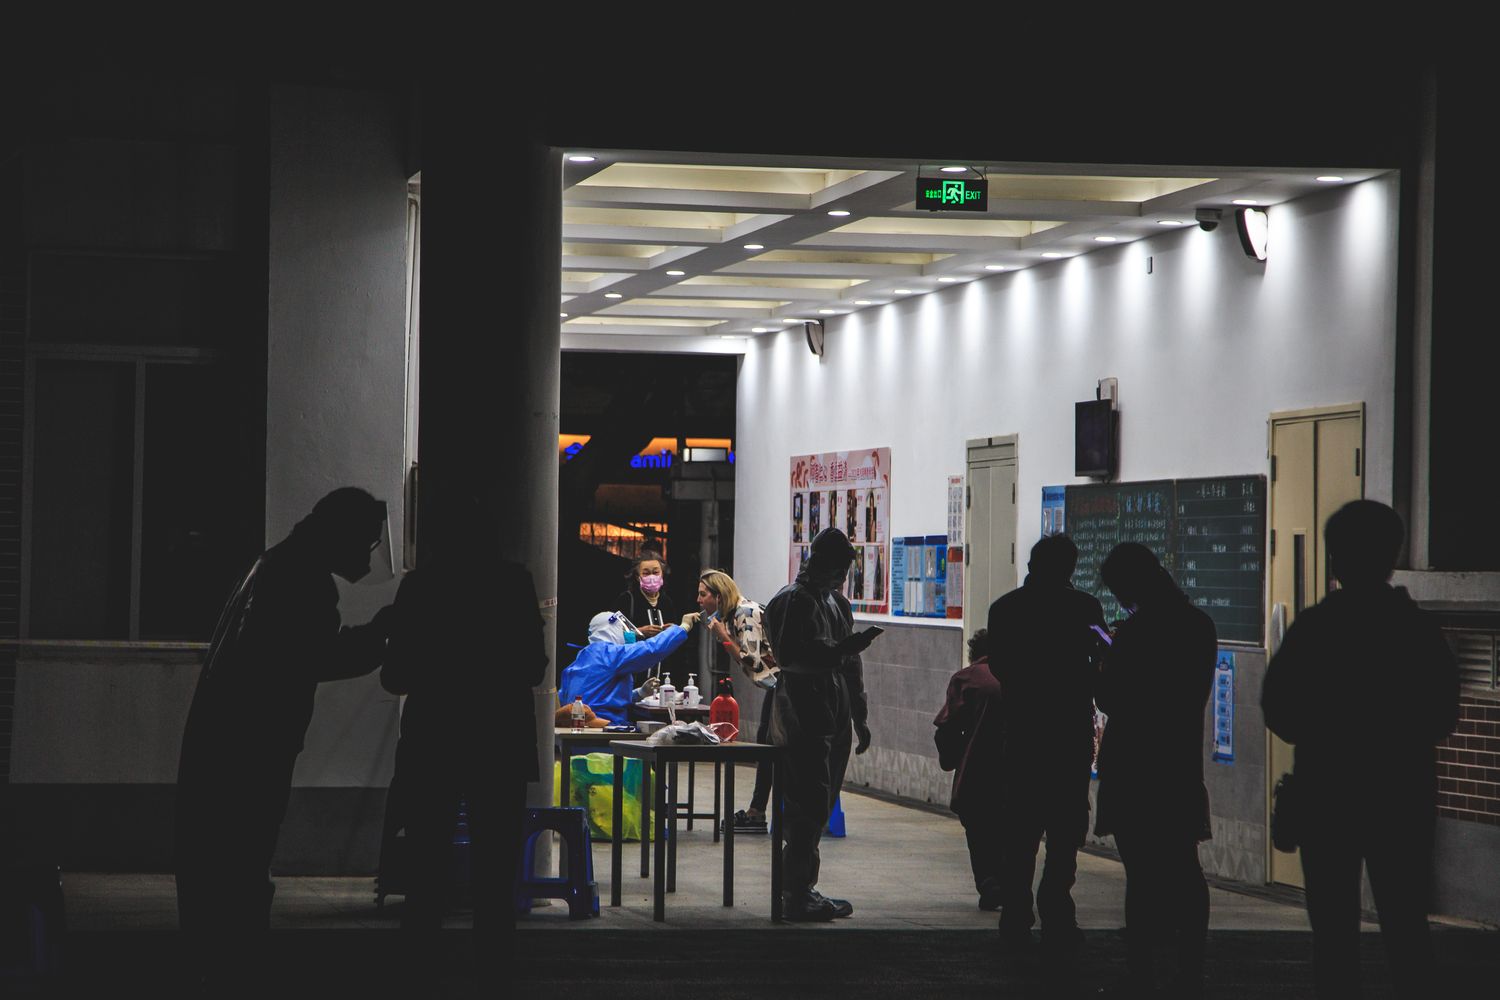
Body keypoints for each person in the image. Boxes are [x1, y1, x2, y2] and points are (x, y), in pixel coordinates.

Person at [174, 487, 395, 993]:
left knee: (225, 862)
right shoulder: (304, 579)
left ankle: (219, 962)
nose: (366, 555)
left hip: (228, 741)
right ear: (339, 535)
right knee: (243, 860)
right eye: (362, 543)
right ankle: (235, 966)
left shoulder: (276, 565)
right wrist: (380, 635)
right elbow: (317, 656)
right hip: (251, 749)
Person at [1261, 500, 1458, 999]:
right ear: (1392, 555)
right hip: (1403, 793)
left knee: (1332, 932)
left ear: (1335, 558)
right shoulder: (1418, 631)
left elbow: (1277, 708)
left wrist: (1325, 734)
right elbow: (1443, 716)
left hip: (1327, 794)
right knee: (1406, 925)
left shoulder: (1315, 629)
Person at [378, 507, 548, 985]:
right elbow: (534, 667)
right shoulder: (515, 584)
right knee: (496, 870)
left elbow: (396, 675)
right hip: (500, 743)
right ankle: (495, 969)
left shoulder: (420, 587)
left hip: (433, 741)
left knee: (426, 865)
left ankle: (420, 968)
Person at [1092, 542, 1218, 999]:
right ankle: (1191, 969)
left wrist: (1099, 663)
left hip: (1133, 764)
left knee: (1141, 873)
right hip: (1178, 762)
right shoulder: (1200, 625)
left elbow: (1112, 698)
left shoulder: (1137, 631)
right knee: (1186, 868)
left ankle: (1141, 969)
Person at [984, 534, 1107, 951]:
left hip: (1022, 732)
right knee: (1065, 827)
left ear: (1033, 564)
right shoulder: (1085, 608)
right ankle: (1056, 906)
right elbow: (1105, 651)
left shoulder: (1004, 609)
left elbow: (999, 664)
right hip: (1069, 733)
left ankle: (1016, 911)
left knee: (1019, 827)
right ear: (1069, 567)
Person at [764, 527, 876, 921]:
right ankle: (796, 892)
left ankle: (799, 885)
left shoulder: (837, 604)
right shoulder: (791, 602)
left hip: (833, 714)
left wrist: (858, 713)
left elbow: (852, 668)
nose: (841, 577)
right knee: (805, 806)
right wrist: (841, 650)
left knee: (819, 803)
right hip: (802, 711)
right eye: (838, 568)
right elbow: (791, 656)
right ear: (820, 562)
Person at [694, 569, 778, 834]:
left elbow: (751, 659)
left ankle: (758, 812)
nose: (698, 600)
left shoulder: (745, 612)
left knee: (768, 746)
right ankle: (758, 810)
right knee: (767, 744)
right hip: (776, 685)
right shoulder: (732, 615)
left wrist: (724, 637)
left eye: (703, 594)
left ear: (718, 597)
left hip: (783, 685)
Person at [932, 628, 1004, 910]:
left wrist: (950, 759)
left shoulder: (966, 679)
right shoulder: (1026, 677)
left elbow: (946, 730)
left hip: (977, 771)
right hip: (1018, 771)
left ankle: (988, 882)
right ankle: (1006, 882)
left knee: (978, 830)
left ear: (974, 653)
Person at [558, 609, 695, 724]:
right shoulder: (609, 654)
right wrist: (682, 628)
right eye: (623, 630)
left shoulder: (582, 658)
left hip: (579, 732)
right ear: (613, 629)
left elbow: (600, 695)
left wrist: (638, 694)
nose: (626, 635)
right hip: (605, 730)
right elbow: (651, 649)